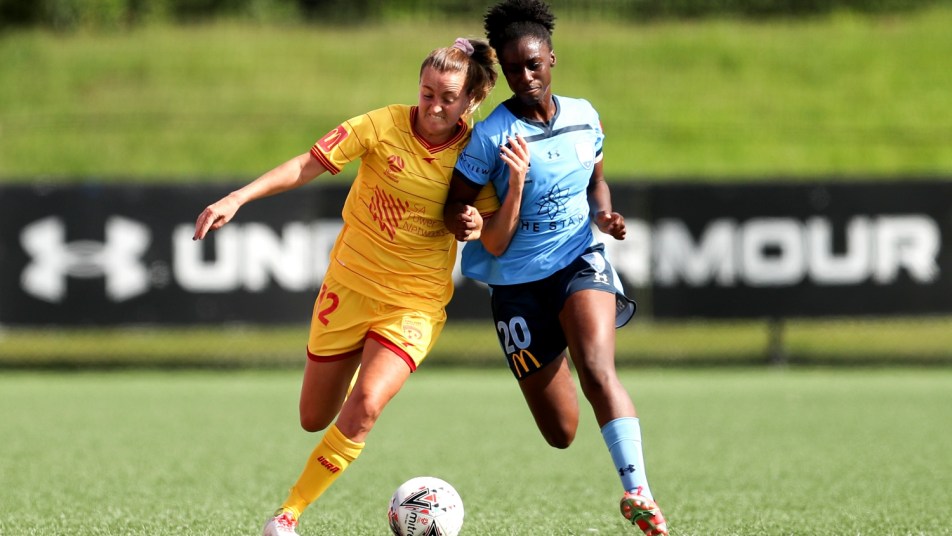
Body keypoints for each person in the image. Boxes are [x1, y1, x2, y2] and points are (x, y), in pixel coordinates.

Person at [193, 38, 498, 536]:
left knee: (366, 407)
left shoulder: (476, 152)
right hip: (349, 286)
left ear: (471, 100)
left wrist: (477, 224)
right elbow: (308, 163)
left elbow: (492, 225)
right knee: (314, 418)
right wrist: (238, 198)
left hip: (413, 303)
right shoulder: (382, 125)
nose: (434, 106)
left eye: (448, 98)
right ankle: (362, 369)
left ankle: (287, 515)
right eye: (427, 93)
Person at [442, 1, 669, 534]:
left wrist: (604, 215)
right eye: (513, 69)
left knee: (598, 369)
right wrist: (464, 218)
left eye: (534, 65)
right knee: (561, 431)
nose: (525, 77)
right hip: (516, 286)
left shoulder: (585, 116)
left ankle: (638, 491)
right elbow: (455, 204)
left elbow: (597, 181)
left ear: (552, 60)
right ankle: (557, 341)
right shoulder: (491, 135)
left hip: (577, 261)